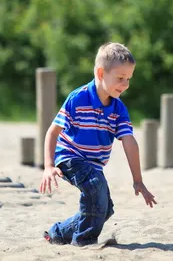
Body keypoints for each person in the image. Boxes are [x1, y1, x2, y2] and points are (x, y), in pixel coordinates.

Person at [39, 42, 157, 246]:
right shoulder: (78, 98)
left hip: (93, 165)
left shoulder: (118, 109)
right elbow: (53, 131)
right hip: (70, 157)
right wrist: (48, 166)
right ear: (101, 73)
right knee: (95, 188)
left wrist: (138, 180)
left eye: (128, 79)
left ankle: (58, 233)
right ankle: (84, 241)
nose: (125, 84)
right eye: (120, 78)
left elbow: (129, 142)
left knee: (104, 208)